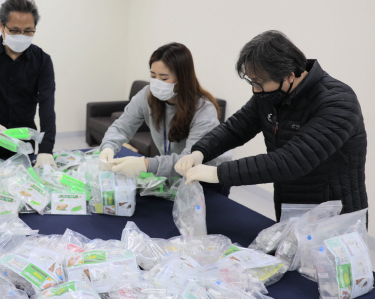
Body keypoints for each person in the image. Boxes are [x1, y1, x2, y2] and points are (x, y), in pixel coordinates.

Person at [176, 30, 367, 221]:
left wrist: (218, 173)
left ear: (289, 76)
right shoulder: (270, 95)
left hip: (334, 213)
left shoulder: (339, 102)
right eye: (252, 82)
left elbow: (292, 160)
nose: (255, 90)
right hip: (290, 203)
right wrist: (200, 151)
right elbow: (236, 128)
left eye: (259, 83)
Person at [99, 42, 231, 195]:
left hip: (206, 178)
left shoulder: (203, 110)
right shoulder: (146, 95)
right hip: (173, 173)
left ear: (182, 78)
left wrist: (145, 164)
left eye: (163, 78)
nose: (156, 83)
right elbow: (122, 126)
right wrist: (108, 146)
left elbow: (188, 160)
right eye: (153, 76)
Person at [0, 0, 56, 167]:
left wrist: (46, 149)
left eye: (28, 31)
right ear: (1, 25)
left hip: (23, 137)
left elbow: (47, 106)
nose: (22, 36)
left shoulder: (42, 61)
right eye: (14, 30)